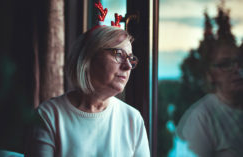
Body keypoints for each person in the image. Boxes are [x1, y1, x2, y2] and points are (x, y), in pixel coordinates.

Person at [24, 26, 150, 157]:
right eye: (118, 54)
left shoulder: (133, 119)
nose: (128, 66)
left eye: (130, 58)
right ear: (88, 57)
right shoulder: (48, 116)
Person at [176, 41, 243, 157]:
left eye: (240, 62)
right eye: (225, 64)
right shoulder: (200, 118)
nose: (237, 69)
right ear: (210, 75)